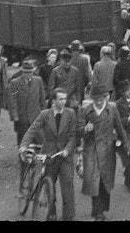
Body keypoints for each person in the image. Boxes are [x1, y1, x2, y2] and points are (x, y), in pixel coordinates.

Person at [20, 88, 80, 221]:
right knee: (49, 184)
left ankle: (69, 216)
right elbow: (32, 130)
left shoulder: (70, 114)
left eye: (65, 99)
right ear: (53, 100)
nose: (64, 101)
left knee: (68, 184)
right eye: (61, 99)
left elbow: (73, 135)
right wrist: (23, 146)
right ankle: (51, 213)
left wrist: (68, 149)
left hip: (64, 155)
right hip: (49, 155)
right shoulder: (45, 114)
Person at [78, 87, 127, 220]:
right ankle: (98, 211)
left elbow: (119, 128)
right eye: (96, 100)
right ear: (92, 99)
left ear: (106, 97)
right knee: (94, 180)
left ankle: (101, 208)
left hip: (108, 149)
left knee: (105, 180)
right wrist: (85, 129)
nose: (99, 102)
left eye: (101, 99)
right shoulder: (85, 110)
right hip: (91, 149)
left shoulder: (112, 109)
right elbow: (78, 130)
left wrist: (126, 145)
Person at [5, 58, 45, 143]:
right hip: (22, 116)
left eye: (30, 72)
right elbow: (13, 100)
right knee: (23, 137)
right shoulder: (15, 83)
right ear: (22, 72)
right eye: (26, 72)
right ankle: (22, 155)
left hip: (35, 114)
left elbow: (42, 99)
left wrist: (44, 113)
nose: (28, 75)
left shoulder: (38, 81)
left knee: (38, 138)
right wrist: (15, 116)